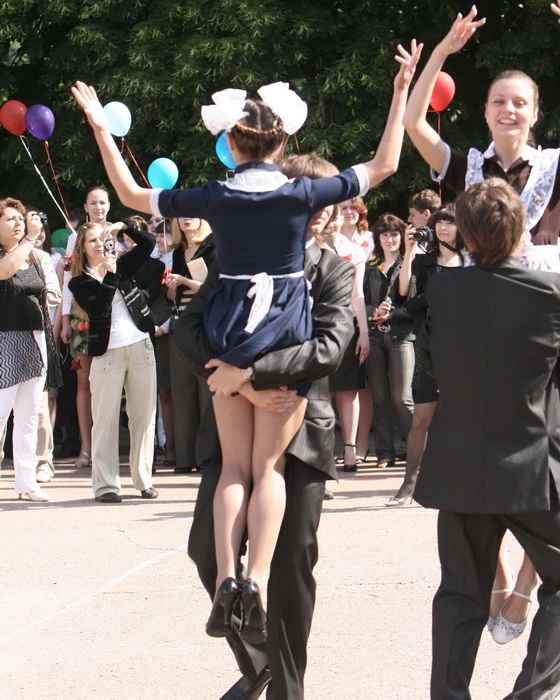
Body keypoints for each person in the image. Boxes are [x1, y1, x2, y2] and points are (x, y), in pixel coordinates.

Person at [71, 37, 422, 642]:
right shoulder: (302, 192)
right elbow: (385, 164)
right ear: (283, 144)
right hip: (282, 329)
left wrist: (102, 129)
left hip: (231, 329)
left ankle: (226, 579)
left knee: (234, 467)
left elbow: (128, 194)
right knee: (269, 469)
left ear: (230, 144)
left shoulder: (215, 194)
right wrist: (398, 92)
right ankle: (255, 580)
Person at [402, 0, 560, 648]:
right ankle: (493, 581)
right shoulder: (467, 165)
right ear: (486, 109)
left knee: (548, 462)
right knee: (469, 459)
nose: (509, 109)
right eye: (499, 100)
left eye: (520, 102)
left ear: (535, 112)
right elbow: (413, 122)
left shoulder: (555, 167)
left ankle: (524, 586)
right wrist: (442, 52)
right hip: (475, 322)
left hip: (540, 323)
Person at [178, 151, 356, 700]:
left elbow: (329, 347)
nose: (320, 212)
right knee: (206, 553)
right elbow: (187, 330)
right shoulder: (231, 256)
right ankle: (260, 663)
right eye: (312, 199)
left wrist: (253, 373)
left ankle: (287, 690)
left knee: (292, 563)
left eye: (329, 204)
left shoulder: (334, 269)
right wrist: (234, 380)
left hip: (300, 433)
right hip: (233, 423)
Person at [414, 177, 560, 700]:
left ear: (465, 236)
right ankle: (530, 694)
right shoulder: (551, 293)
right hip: (530, 465)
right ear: (521, 228)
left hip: (458, 464)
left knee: (459, 595)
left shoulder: (442, 290)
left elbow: (430, 361)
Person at [68, 221, 158, 503]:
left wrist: (124, 226)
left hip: (140, 344)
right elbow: (98, 309)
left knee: (143, 417)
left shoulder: (124, 264)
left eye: (103, 238)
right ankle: (106, 485)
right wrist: (109, 276)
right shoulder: (78, 281)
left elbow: (148, 244)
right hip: (106, 353)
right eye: (92, 240)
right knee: (105, 421)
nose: (99, 244)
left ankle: (144, 480)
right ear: (82, 248)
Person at [385, 204, 464, 505]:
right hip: (431, 346)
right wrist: (408, 254)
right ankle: (409, 484)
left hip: (465, 349)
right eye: (440, 222)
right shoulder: (424, 261)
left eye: (450, 223)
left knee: (462, 418)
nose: (443, 227)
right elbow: (403, 294)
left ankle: (459, 483)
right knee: (420, 419)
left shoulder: (472, 261)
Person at [0, 199, 61, 502]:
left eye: (20, 219)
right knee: (0, 415)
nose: (18, 223)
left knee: (28, 418)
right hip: (5, 342)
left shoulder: (33, 257)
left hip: (34, 341)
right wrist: (28, 240)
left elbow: (49, 294)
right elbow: (4, 272)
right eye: (10, 219)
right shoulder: (14, 254)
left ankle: (26, 483)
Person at [60, 185, 112, 469]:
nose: (98, 207)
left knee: (110, 383)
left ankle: (107, 445)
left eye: (102, 202)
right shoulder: (74, 237)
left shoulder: (116, 234)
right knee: (84, 382)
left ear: (109, 205)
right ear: (86, 206)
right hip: (82, 316)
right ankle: (86, 447)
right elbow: (69, 279)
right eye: (93, 203)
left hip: (111, 317)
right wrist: (65, 319)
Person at [363, 213, 415, 469]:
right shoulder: (370, 267)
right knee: (379, 398)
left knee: (402, 397)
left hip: (401, 335)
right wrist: (373, 311)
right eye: (384, 234)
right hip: (374, 335)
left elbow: (414, 302)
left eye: (394, 234)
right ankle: (385, 454)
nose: (390, 239)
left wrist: (392, 313)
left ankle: (421, 447)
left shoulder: (410, 263)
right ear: (378, 238)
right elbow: (359, 301)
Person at [165, 216, 215, 474]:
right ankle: (185, 458)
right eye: (181, 214)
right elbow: (172, 297)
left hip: (205, 327)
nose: (186, 218)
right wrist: (173, 286)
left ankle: (208, 458)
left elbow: (213, 289)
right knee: (181, 392)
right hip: (179, 325)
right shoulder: (176, 253)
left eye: (192, 213)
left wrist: (183, 281)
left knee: (207, 392)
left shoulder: (213, 246)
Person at [325, 206, 369, 472]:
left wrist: (363, 331)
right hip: (320, 324)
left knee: (349, 388)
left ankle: (350, 447)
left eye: (338, 217)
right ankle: (322, 448)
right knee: (323, 389)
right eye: (330, 216)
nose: (334, 221)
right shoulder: (311, 246)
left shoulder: (355, 250)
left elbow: (358, 293)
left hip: (347, 324)